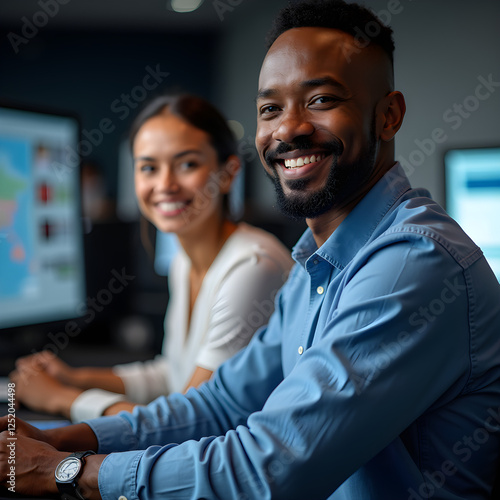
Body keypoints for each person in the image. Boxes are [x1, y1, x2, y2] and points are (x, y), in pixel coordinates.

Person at [2, 1, 500, 498]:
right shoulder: (314, 263)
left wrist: (61, 471)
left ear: (388, 116)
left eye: (321, 100)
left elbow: (268, 468)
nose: (288, 129)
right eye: (270, 109)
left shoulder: (412, 263)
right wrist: (55, 440)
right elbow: (219, 404)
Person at [8, 93, 293, 422]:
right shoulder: (184, 261)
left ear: (228, 173)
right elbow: (172, 374)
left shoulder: (253, 266)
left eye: (187, 164)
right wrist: (75, 377)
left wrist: (62, 399)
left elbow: (192, 421)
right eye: (148, 167)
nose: (165, 184)